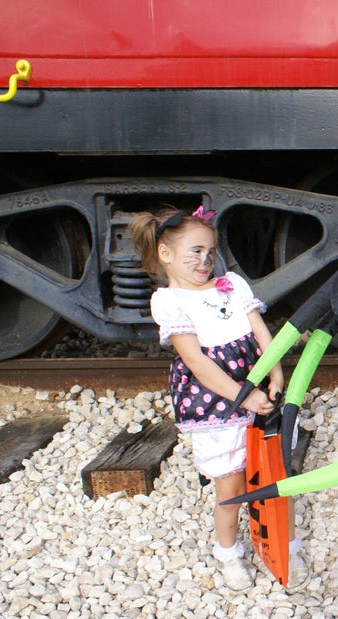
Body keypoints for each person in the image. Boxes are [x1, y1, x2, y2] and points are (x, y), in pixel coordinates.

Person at [129, 205, 310, 593]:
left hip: (258, 390)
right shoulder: (169, 300)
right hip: (218, 399)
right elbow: (196, 361)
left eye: (209, 251)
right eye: (194, 251)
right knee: (230, 486)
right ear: (165, 254)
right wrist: (242, 396)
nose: (205, 260)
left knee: (278, 474)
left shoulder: (232, 284)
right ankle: (228, 552)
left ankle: (286, 545)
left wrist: (276, 372)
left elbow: (262, 333)